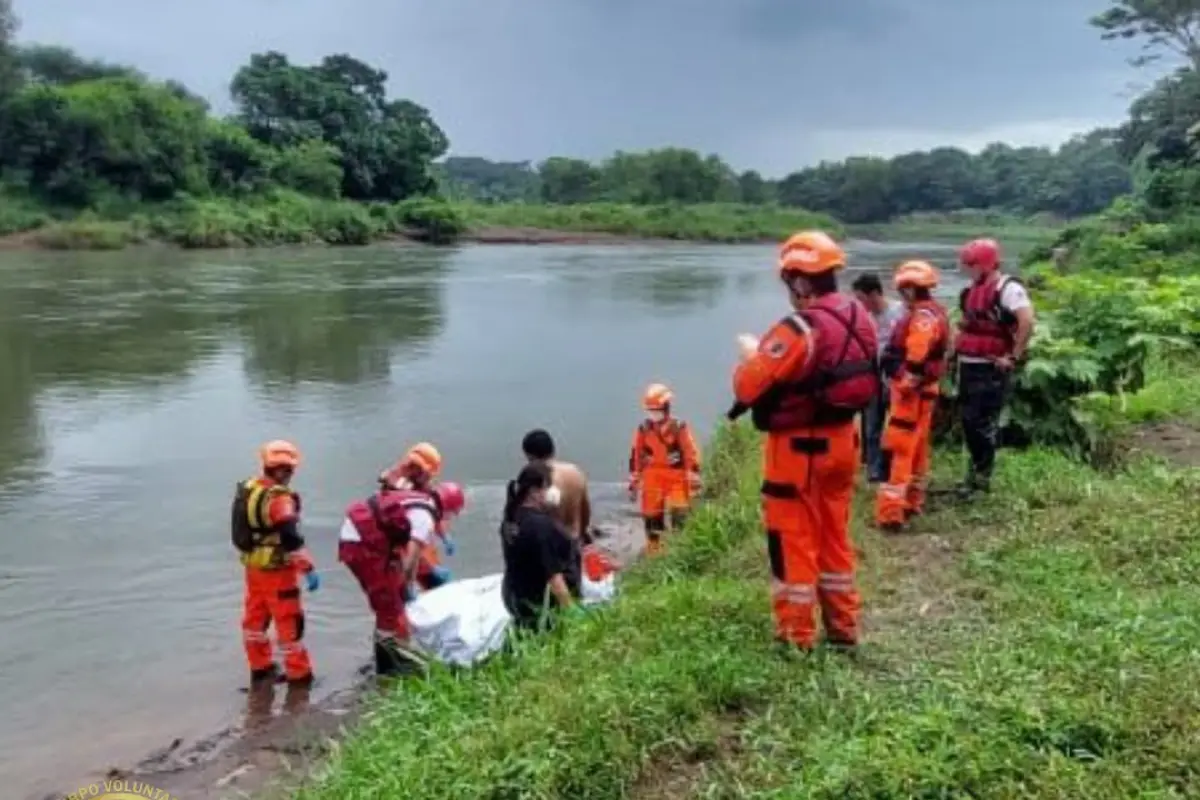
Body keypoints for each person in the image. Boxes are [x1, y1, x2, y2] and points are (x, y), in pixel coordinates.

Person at [728, 230, 878, 652]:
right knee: (834, 537)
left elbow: (748, 388)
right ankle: (844, 629)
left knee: (790, 541)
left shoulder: (801, 327)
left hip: (798, 452)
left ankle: (797, 637)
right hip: (844, 443)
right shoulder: (859, 315)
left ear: (800, 280)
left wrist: (750, 355)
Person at [338, 478, 465, 676]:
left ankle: (390, 649)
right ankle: (386, 666)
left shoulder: (420, 501)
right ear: (447, 508)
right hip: (362, 545)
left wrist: (414, 578)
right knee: (388, 605)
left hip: (362, 537)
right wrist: (408, 585)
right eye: (450, 514)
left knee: (393, 597)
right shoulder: (425, 515)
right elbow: (412, 556)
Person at [230, 440, 319, 687]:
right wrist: (308, 568)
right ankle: (299, 676)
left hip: (253, 566)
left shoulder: (250, 488)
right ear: (288, 469)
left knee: (254, 620)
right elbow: (291, 537)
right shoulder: (279, 498)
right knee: (289, 622)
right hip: (277, 570)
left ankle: (261, 668)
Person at [953, 238, 1036, 495]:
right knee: (969, 422)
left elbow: (1027, 321)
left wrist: (1013, 356)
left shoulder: (1008, 289)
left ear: (986, 264)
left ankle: (981, 479)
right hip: (968, 364)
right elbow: (967, 324)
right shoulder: (971, 290)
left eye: (972, 265)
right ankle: (974, 474)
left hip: (991, 368)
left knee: (980, 423)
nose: (968, 270)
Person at [875, 261, 950, 531]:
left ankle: (891, 513)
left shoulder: (922, 317)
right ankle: (912, 501)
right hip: (925, 392)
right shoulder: (935, 312)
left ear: (909, 289)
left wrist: (906, 379)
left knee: (897, 450)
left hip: (910, 394)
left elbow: (917, 350)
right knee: (918, 449)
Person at [499, 462, 582, 631]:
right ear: (534, 491)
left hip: (515, 597)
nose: (552, 492)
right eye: (548, 486)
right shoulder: (540, 526)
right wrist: (572, 612)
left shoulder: (510, 519)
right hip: (539, 603)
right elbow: (554, 578)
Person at [627, 383, 702, 556]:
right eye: (651, 410)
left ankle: (681, 548)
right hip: (652, 475)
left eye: (657, 409)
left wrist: (693, 474)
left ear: (666, 408)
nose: (653, 414)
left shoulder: (678, 427)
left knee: (679, 511)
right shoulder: (644, 429)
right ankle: (655, 551)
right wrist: (634, 480)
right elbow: (636, 454)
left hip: (676, 474)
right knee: (651, 514)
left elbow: (689, 451)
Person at [851, 272, 905, 483]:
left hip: (895, 377)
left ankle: (893, 467)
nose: (859, 303)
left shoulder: (899, 312)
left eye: (861, 298)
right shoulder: (863, 319)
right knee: (871, 425)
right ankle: (873, 469)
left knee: (896, 425)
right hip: (872, 376)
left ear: (874, 294)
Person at [521, 429, 591, 539]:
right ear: (553, 450)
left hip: (551, 550)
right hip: (574, 545)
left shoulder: (538, 480)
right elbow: (585, 514)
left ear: (529, 456)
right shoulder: (575, 471)